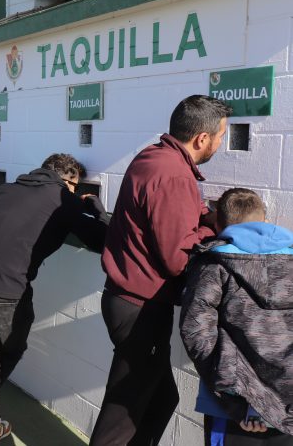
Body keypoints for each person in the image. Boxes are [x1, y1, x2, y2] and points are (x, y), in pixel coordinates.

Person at [90, 95, 232, 446]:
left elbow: (164, 215)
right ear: (202, 139)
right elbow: (176, 258)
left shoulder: (152, 157)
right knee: (122, 415)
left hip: (127, 302)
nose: (220, 144)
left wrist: (198, 215)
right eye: (221, 136)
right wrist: (211, 229)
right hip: (141, 308)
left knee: (161, 398)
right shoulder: (174, 175)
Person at [0, 154, 109, 445]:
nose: (75, 191)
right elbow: (104, 240)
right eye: (75, 185)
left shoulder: (7, 189)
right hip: (7, 290)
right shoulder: (64, 199)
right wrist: (97, 210)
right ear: (67, 179)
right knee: (10, 350)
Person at [180, 188, 293, 444]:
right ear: (265, 220)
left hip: (233, 408)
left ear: (218, 223)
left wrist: (237, 405)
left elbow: (195, 332)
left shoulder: (213, 263)